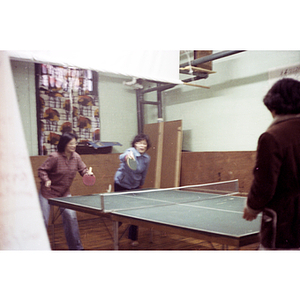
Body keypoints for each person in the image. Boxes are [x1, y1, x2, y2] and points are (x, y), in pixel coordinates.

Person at [243, 78, 300, 249]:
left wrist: (252, 207)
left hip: (285, 222)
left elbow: (264, 184)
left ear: (273, 107)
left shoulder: (272, 137)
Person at [38, 132, 93, 250]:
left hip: (64, 193)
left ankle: (76, 248)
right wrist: (46, 180)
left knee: (71, 216)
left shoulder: (76, 157)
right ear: (64, 144)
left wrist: (88, 173)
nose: (74, 146)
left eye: (75, 143)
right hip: (47, 192)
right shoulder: (54, 157)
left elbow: (83, 169)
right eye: (71, 143)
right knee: (43, 220)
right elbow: (42, 170)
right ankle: (37, 248)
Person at [114, 133, 151, 246]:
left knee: (135, 212)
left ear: (147, 145)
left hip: (134, 185)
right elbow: (121, 157)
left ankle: (133, 238)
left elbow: (144, 173)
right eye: (139, 143)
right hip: (121, 183)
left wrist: (141, 184)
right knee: (119, 211)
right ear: (135, 144)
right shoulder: (130, 151)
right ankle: (116, 227)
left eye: (144, 143)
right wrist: (127, 157)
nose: (142, 145)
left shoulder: (146, 158)